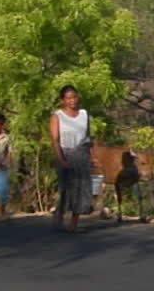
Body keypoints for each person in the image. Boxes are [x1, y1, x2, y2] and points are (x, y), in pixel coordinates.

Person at [49, 85, 93, 233]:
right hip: (66, 153)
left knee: (81, 188)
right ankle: (60, 218)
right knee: (65, 188)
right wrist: (61, 160)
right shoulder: (57, 116)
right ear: (63, 100)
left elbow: (88, 137)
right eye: (68, 98)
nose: (72, 100)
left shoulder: (84, 114)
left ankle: (74, 223)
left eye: (74, 97)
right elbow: (55, 140)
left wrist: (92, 157)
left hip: (82, 154)